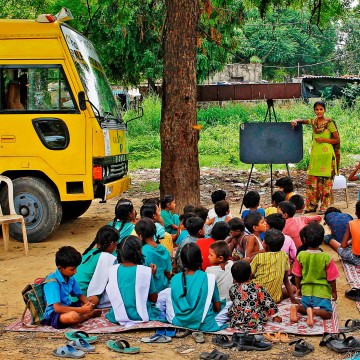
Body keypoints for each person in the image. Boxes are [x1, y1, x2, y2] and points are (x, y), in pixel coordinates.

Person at [291, 101, 340, 215]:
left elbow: (337, 140)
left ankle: (324, 207)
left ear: (325, 110)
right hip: (315, 156)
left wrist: (323, 140)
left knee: (326, 184)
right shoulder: (313, 121)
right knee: (312, 182)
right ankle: (311, 206)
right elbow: (303, 121)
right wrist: (295, 121)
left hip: (327, 156)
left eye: (321, 109)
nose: (319, 111)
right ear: (314, 110)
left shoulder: (329, 123)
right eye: (317, 109)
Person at [166, 243, 226, 331]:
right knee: (228, 304)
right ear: (201, 258)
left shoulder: (175, 278)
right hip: (205, 324)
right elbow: (217, 307)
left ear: (182, 261)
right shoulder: (209, 278)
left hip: (179, 322)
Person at [106, 235, 163, 326]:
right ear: (139, 252)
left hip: (117, 315)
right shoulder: (145, 271)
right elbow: (154, 299)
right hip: (142, 314)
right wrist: (150, 276)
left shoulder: (112, 270)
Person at [291, 222, 339, 327]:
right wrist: (334, 291)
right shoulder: (326, 257)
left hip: (306, 291)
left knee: (304, 306)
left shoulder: (301, 255)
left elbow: (297, 275)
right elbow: (332, 278)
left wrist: (298, 288)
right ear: (322, 240)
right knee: (327, 313)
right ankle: (314, 312)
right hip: (321, 292)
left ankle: (297, 308)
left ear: (304, 240)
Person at [42, 246, 102, 329]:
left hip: (68, 305)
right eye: (72, 269)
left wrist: (87, 303)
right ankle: (87, 316)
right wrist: (81, 310)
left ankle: (81, 316)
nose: (75, 271)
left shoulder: (69, 277)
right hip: (54, 314)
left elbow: (79, 295)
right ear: (60, 268)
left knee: (94, 299)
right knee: (73, 316)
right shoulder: (52, 282)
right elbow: (57, 308)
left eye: (76, 268)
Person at [72, 225, 118, 306]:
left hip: (69, 294)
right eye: (116, 243)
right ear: (111, 244)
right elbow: (98, 287)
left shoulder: (89, 252)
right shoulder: (106, 257)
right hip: (81, 298)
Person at [228, 260, 278, 331]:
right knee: (260, 309)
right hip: (254, 320)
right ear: (250, 274)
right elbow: (268, 302)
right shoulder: (257, 288)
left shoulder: (232, 289)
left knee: (233, 308)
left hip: (238, 319)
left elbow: (235, 301)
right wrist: (275, 315)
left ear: (233, 278)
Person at [251, 229, 297, 303]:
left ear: (266, 245)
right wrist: (293, 298)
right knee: (293, 288)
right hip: (276, 299)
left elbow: (249, 277)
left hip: (258, 299)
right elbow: (285, 279)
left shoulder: (259, 257)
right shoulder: (284, 255)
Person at [135, 218, 172, 292]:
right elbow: (169, 273)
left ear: (140, 236)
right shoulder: (164, 249)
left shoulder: (142, 252)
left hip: (150, 289)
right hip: (164, 287)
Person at [328, 201, 360, 266]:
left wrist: (349, 242)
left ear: (356, 213)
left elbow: (343, 245)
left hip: (356, 259)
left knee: (332, 241)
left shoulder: (351, 224)